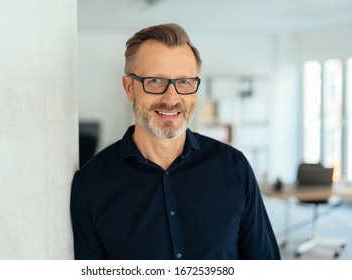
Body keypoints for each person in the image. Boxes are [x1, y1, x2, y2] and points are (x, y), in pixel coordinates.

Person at [70, 23, 281, 260]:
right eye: (155, 81)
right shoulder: (91, 184)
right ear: (129, 88)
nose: (171, 98)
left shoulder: (234, 168)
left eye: (184, 82)